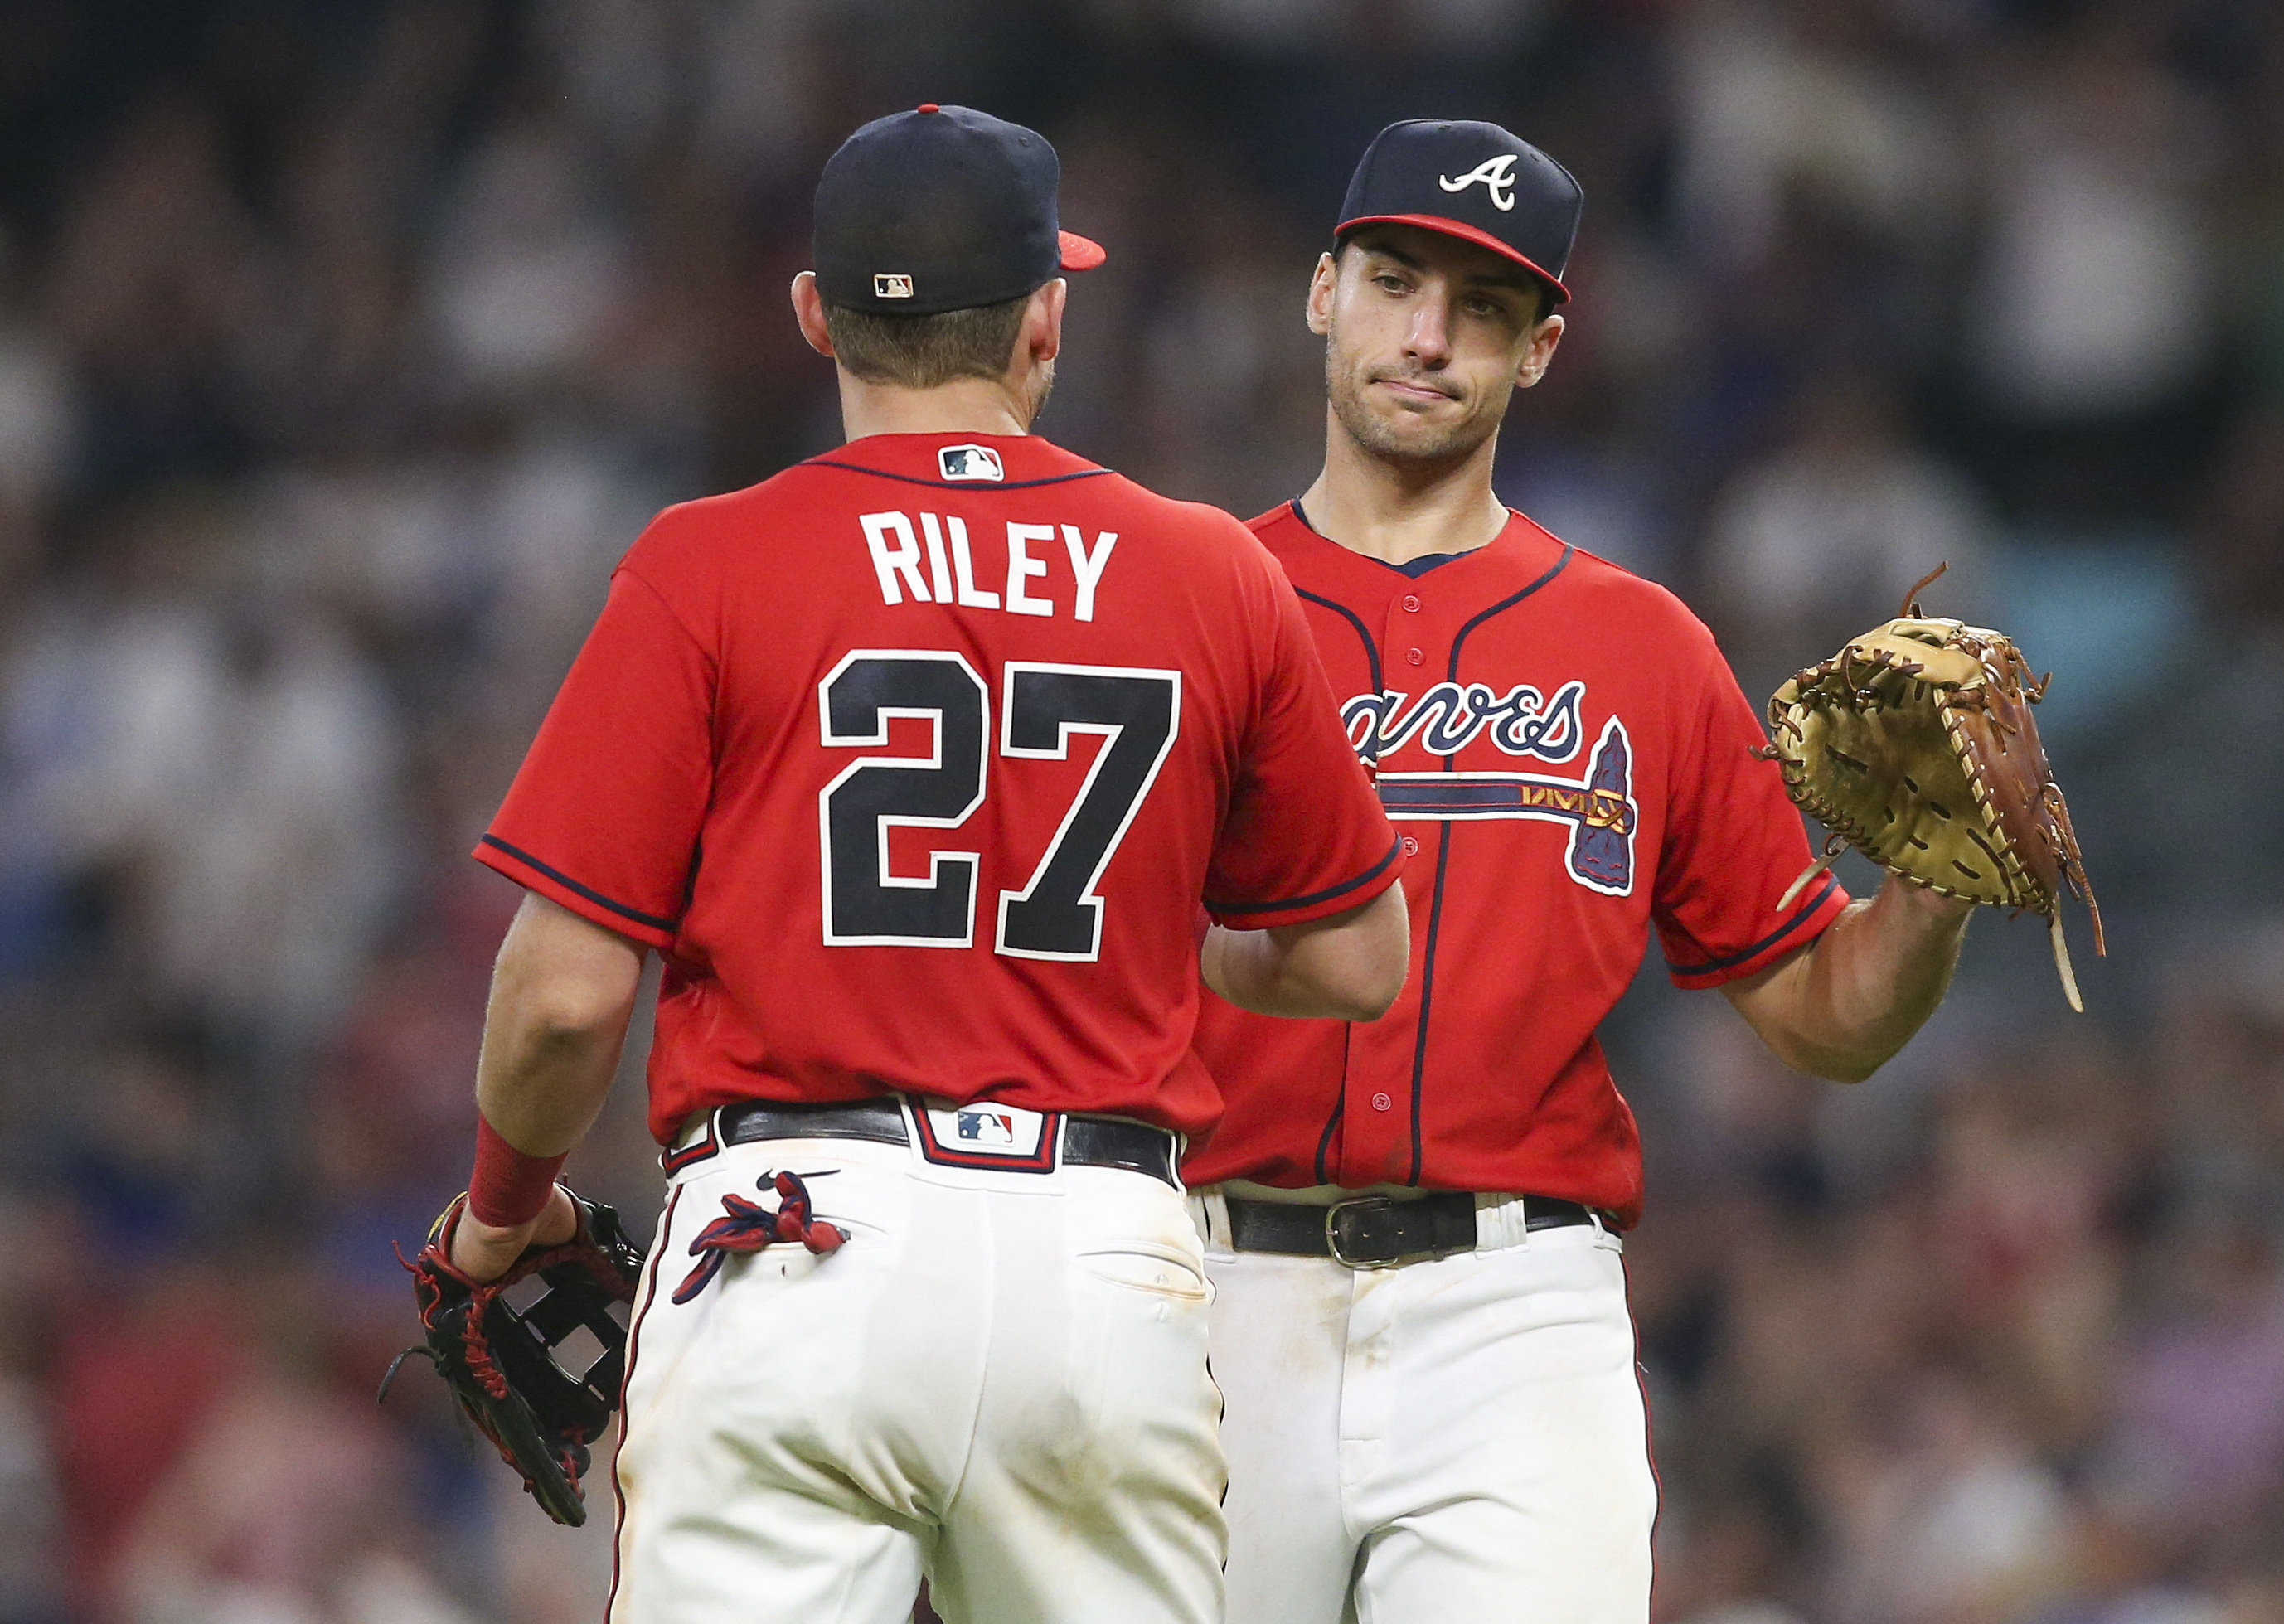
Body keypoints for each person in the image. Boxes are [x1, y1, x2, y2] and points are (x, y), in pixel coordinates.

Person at [442, 104, 1410, 1624]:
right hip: (1103, 1262)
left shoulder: (712, 562)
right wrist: (1168, 944)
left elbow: (564, 998)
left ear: (815, 311)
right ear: (1047, 319)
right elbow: (1358, 958)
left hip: (795, 1241)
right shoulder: (1211, 569)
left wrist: (501, 1218)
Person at [1186, 119, 1974, 1624]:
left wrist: (1929, 893)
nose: (1428, 337)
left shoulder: (1641, 646)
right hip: (1213, 1289)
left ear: (1542, 347)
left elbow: (1823, 1011)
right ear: (1319, 292)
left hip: (1514, 1309)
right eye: (1395, 281)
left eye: (1482, 308)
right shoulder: (1181, 609)